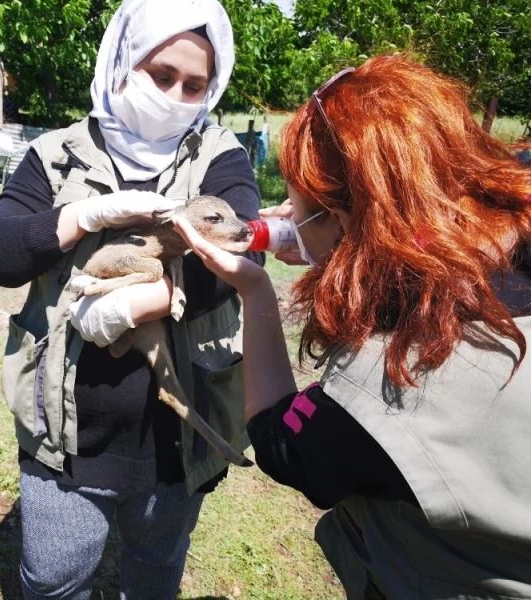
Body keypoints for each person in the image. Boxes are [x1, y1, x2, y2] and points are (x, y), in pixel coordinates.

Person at [174, 55, 531, 599]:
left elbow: (280, 443)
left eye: (298, 212)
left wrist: (255, 289)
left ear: (340, 222)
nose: (288, 223)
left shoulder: (390, 382)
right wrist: (349, 252)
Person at [0, 0, 263, 597]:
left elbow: (244, 252)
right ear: (123, 60)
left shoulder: (218, 155)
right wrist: (78, 216)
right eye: (160, 76)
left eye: (194, 85)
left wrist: (137, 304)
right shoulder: (54, 154)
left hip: (177, 433)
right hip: (67, 433)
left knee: (155, 571)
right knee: (54, 578)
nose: (175, 96)